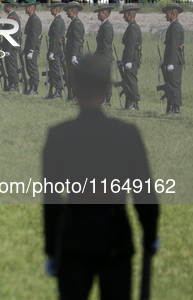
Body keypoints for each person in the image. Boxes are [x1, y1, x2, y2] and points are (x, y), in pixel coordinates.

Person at [42, 54, 159, 300]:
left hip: (74, 240)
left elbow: (51, 200)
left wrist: (53, 250)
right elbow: (144, 193)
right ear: (107, 88)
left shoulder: (59, 136)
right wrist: (150, 235)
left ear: (75, 88)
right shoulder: (127, 135)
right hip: (115, 239)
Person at [161, 3, 185, 114]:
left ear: (173, 14)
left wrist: (170, 62)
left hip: (174, 60)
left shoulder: (175, 27)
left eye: (167, 14)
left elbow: (174, 46)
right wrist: (165, 61)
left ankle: (176, 108)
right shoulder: (173, 26)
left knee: (174, 84)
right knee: (170, 83)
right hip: (172, 59)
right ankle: (172, 107)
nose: (166, 16)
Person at [118, 4, 142, 110]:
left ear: (129, 15)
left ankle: (134, 103)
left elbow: (131, 46)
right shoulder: (131, 26)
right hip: (130, 57)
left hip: (132, 58)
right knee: (128, 80)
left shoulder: (132, 27)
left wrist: (128, 61)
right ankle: (130, 103)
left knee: (131, 80)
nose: (123, 17)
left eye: (124, 15)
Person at [93, 4, 115, 107]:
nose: (98, 15)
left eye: (99, 13)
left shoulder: (107, 26)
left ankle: (107, 99)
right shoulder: (103, 26)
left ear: (105, 14)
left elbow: (106, 44)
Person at [63, 1, 85, 101]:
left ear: (72, 11)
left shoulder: (77, 23)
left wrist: (74, 55)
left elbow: (77, 40)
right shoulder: (73, 22)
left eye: (68, 11)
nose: (67, 13)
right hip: (70, 52)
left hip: (74, 53)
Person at [21, 0, 42, 95]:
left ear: (31, 8)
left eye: (26, 7)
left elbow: (34, 37)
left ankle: (34, 88)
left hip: (32, 48)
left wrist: (31, 50)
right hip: (29, 46)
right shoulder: (31, 18)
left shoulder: (35, 20)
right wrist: (25, 49)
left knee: (32, 67)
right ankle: (31, 87)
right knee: (28, 67)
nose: (25, 9)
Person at [1, 0, 22, 92]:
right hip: (8, 46)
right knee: (8, 66)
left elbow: (11, 34)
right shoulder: (10, 17)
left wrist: (8, 49)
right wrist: (1, 45)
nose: (4, 7)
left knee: (12, 66)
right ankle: (11, 84)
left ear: (9, 6)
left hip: (11, 47)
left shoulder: (13, 17)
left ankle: (14, 85)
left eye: (5, 5)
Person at [45, 0, 65, 99]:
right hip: (55, 49)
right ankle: (56, 91)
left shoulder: (58, 21)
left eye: (52, 9)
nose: (50, 10)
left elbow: (56, 38)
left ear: (56, 9)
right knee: (54, 70)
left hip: (56, 50)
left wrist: (52, 52)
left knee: (57, 71)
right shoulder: (57, 20)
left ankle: (58, 91)